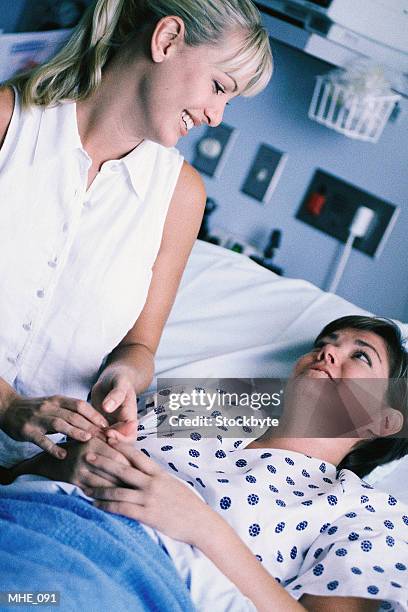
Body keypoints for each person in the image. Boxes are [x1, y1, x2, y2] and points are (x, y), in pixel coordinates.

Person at [0, 0, 273, 463]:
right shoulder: (8, 124)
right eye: (218, 87)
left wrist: (124, 375)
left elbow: (140, 345)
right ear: (166, 39)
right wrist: (7, 405)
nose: (216, 115)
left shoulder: (180, 197)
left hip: (36, 478)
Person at [3, 316, 408, 611]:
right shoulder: (202, 407)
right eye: (327, 340)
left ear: (384, 421)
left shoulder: (367, 511)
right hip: (25, 515)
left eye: (360, 355)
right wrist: (66, 462)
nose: (329, 350)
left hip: (119, 576)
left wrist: (202, 526)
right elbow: (15, 474)